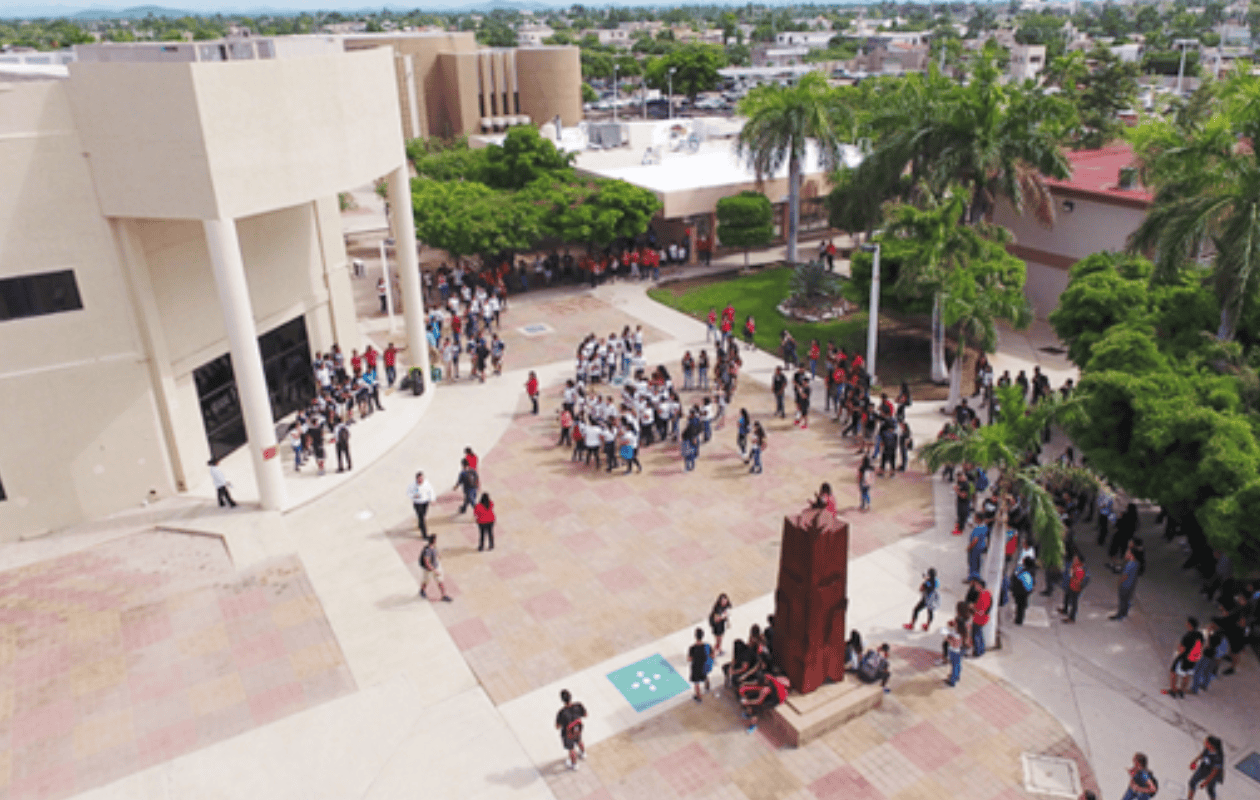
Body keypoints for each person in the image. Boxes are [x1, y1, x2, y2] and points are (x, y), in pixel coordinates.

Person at [1164, 616, 1204, 699]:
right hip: (1193, 660)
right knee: (1187, 675)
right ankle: (1182, 691)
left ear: (1189, 625)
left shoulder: (1187, 636)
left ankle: (1173, 690)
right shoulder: (1200, 635)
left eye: (1187, 622)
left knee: (1173, 672)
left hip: (1184, 658)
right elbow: (1201, 646)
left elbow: (1181, 649)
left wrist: (1178, 651)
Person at [555, 689, 587, 771]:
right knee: (579, 740)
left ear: (562, 700)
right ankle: (583, 753)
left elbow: (557, 726)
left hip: (567, 734)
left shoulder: (562, 713)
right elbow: (585, 715)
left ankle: (574, 764)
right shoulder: (578, 706)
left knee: (571, 749)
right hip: (577, 729)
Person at [1186, 736, 1224, 800]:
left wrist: (1206, 782)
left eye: (1207, 742)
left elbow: (1214, 771)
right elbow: (1202, 754)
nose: (1205, 743)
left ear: (1212, 745)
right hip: (1203, 768)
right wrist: (1194, 761)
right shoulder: (1207, 748)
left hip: (1213, 774)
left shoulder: (1218, 757)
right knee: (1192, 782)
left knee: (1210, 789)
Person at [418, 535, 452, 602]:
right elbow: (427, 562)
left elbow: (435, 552)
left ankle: (444, 595)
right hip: (429, 570)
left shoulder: (433, 547)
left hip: (435, 567)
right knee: (425, 581)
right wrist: (434, 570)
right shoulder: (427, 550)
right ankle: (422, 591)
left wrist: (438, 555)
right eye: (435, 540)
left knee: (440, 581)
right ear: (433, 541)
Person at [1111, 545, 1140, 620]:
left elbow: (1124, 576)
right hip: (1131, 585)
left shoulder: (1129, 564)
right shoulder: (1136, 563)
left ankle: (1119, 615)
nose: (1126, 554)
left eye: (1128, 553)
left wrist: (1119, 582)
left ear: (1131, 555)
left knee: (1122, 600)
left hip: (1125, 585)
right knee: (1127, 600)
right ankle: (1124, 613)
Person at [688, 628, 714, 701]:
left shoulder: (692, 648)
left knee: (696, 682)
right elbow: (712, 655)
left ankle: (698, 696)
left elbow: (689, 659)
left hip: (696, 667)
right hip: (704, 666)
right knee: (705, 676)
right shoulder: (707, 646)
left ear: (695, 636)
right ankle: (707, 686)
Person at [1061, 554, 1088, 623]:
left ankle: (1072, 618)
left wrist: (1072, 573)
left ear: (1079, 561)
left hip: (1075, 588)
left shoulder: (1080, 570)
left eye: (1076, 559)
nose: (1074, 560)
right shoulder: (1076, 566)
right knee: (1067, 597)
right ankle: (1065, 609)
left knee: (1074, 603)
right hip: (1071, 585)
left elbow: (1077, 580)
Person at [407, 471, 435, 537]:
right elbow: (408, 493)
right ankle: (424, 534)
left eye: (422, 478)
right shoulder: (412, 485)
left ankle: (420, 524)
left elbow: (431, 491)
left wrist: (432, 499)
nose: (420, 480)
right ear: (416, 479)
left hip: (425, 502)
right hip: (417, 503)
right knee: (422, 518)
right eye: (419, 479)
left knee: (423, 515)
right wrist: (413, 496)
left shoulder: (426, 484)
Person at [969, 578, 992, 657]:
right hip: (984, 618)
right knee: (980, 634)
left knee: (975, 635)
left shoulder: (983, 595)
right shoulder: (987, 593)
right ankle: (981, 650)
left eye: (976, 585)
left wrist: (973, 607)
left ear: (980, 586)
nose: (975, 586)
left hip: (979, 618)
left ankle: (977, 652)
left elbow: (981, 610)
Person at [1012, 557, 1035, 626]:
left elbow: (1016, 578)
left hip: (1022, 590)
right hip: (1027, 590)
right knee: (1022, 606)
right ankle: (1019, 619)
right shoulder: (1032, 572)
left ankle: (1018, 620)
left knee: (1019, 606)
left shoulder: (1023, 571)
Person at [943, 619, 964, 687]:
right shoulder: (962, 632)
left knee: (954, 665)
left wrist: (947, 638)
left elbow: (954, 644)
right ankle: (957, 677)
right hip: (959, 651)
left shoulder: (955, 634)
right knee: (958, 664)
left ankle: (952, 681)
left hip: (954, 651)